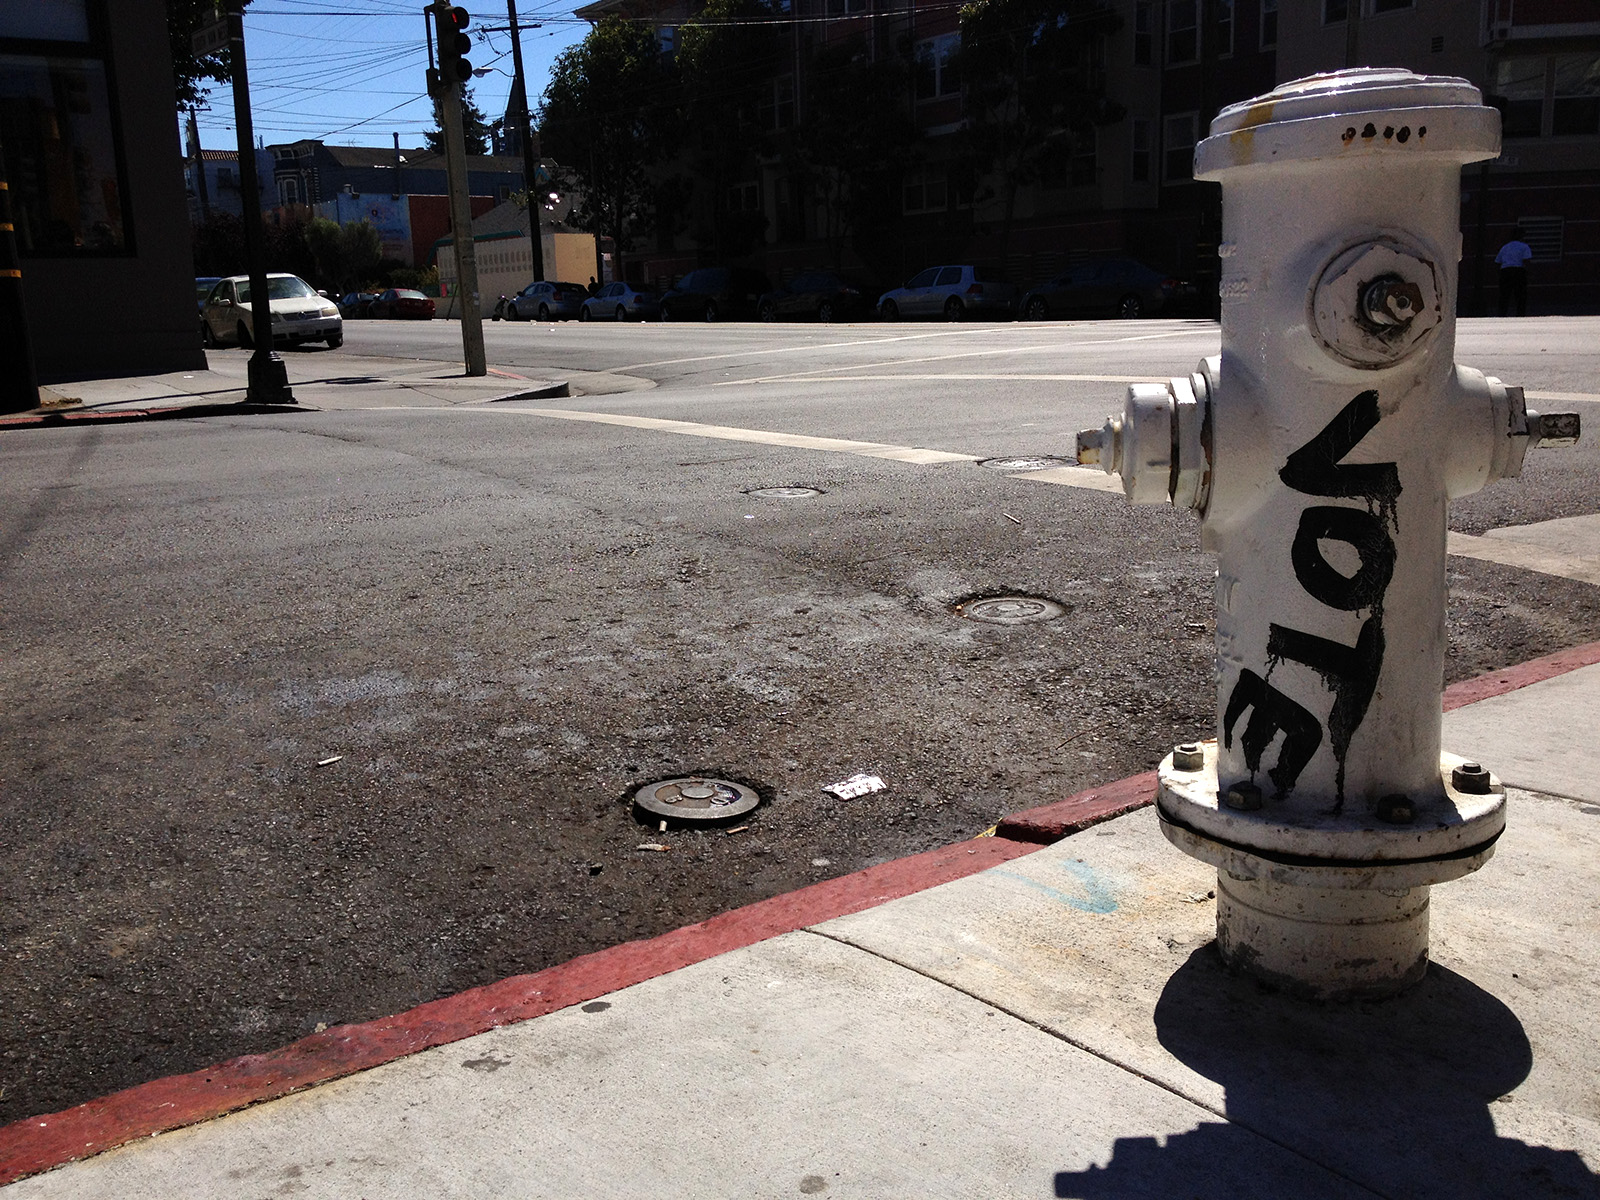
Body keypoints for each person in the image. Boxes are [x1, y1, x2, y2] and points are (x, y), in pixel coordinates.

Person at [1495, 235, 1532, 317]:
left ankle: (1502, 314)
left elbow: (1498, 261)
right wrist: (1528, 273)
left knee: (1504, 295)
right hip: (1518, 271)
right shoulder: (1524, 246)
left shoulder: (1505, 247)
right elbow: (1526, 260)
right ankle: (1520, 314)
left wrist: (1499, 274)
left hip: (1505, 271)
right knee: (1520, 295)